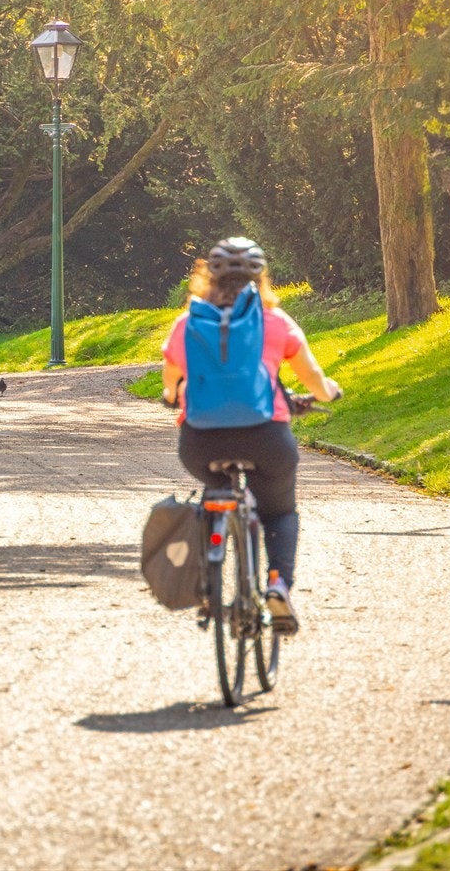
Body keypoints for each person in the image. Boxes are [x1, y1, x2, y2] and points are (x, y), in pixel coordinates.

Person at [160, 237, 342, 635]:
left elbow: (172, 381)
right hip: (266, 437)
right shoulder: (275, 322)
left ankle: (209, 575)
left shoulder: (188, 323)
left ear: (207, 275)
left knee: (214, 490)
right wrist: (328, 391)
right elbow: (313, 377)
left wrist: (172, 396)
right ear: (261, 278)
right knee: (279, 510)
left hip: (200, 442)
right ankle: (277, 585)